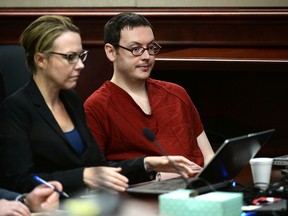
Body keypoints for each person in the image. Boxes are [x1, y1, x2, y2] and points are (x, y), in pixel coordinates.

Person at [0, 15, 198, 197]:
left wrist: (147, 164)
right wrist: (83, 176)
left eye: (80, 56)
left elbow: (99, 167)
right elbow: (18, 181)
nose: (80, 65)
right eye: (70, 57)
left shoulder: (71, 100)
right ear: (41, 60)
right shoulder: (15, 109)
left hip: (84, 203)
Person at [84, 12, 215, 172]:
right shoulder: (96, 106)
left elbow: (209, 156)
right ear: (111, 52)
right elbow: (96, 172)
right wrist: (157, 176)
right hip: (142, 194)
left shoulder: (176, 93)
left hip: (200, 189)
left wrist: (211, 180)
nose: (146, 56)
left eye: (151, 48)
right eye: (136, 49)